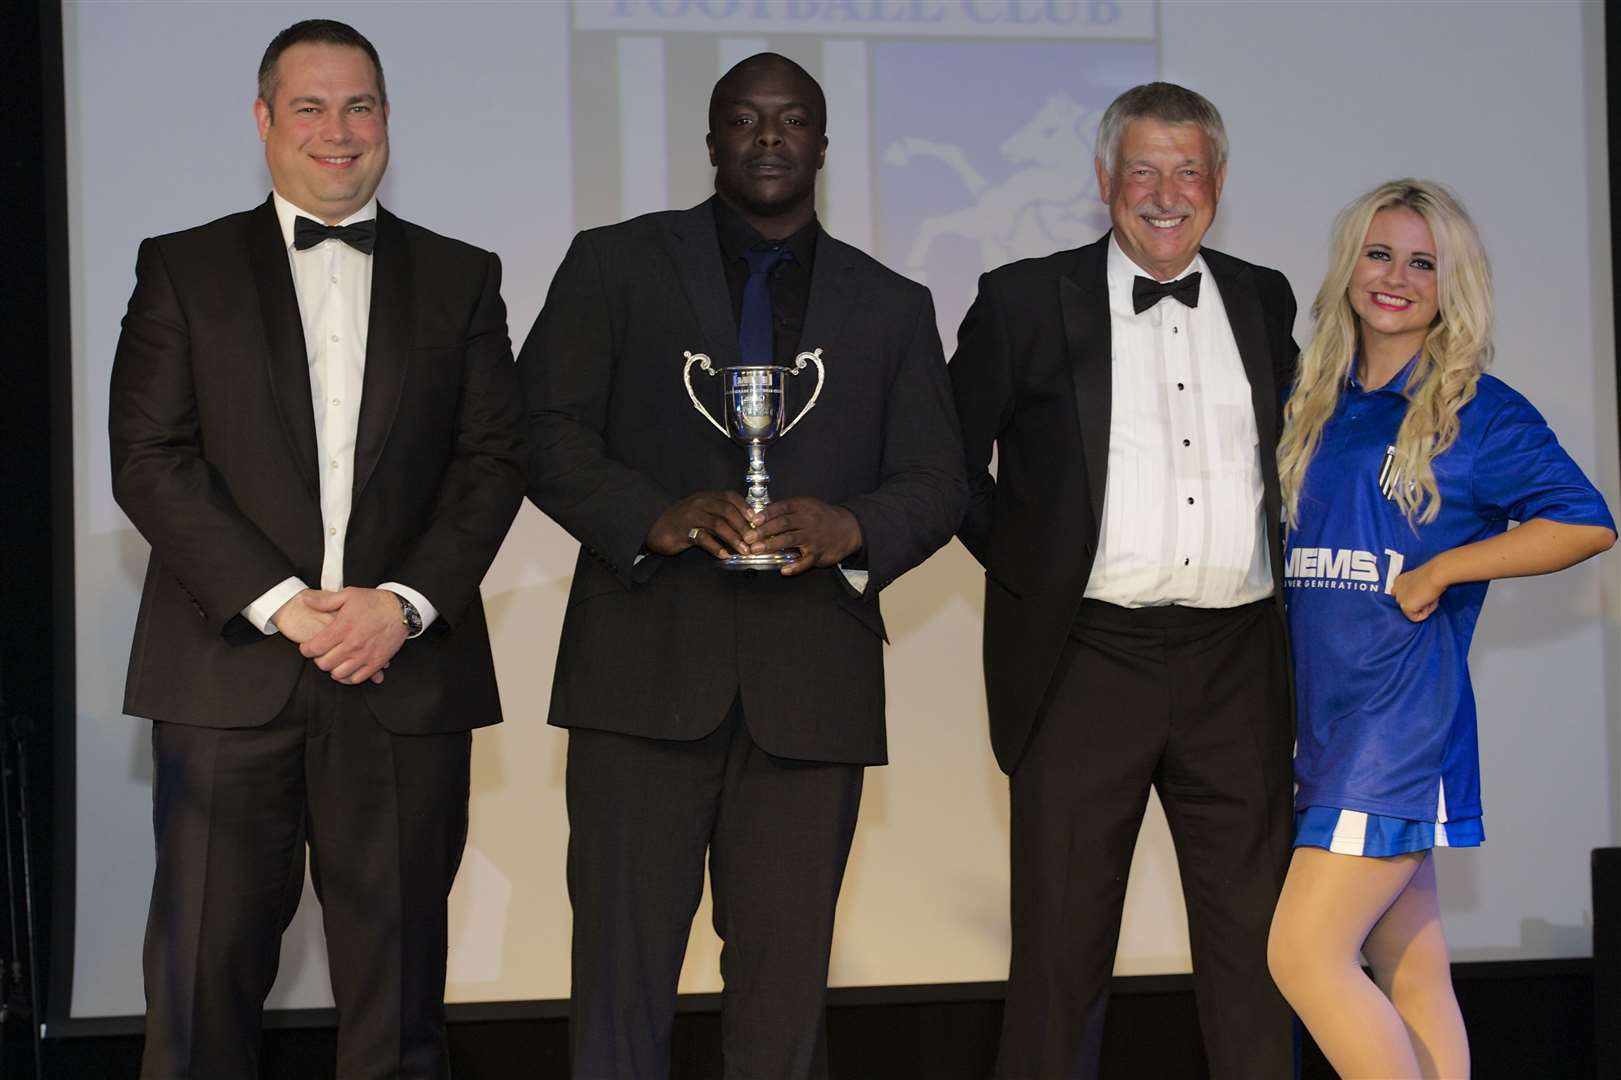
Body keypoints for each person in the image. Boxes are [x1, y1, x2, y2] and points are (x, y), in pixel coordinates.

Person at [518, 52, 965, 1080]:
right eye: (745, 120)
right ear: (713, 139)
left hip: (811, 691)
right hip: (640, 675)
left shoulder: (890, 304)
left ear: (821, 143)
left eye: (792, 119)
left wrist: (849, 526)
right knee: (619, 984)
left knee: (783, 990)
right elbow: (541, 431)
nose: (769, 137)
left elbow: (940, 479)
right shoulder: (613, 264)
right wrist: (651, 515)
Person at [108, 19, 525, 1078]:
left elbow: (491, 463)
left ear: (386, 121)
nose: (338, 132)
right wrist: (288, 602)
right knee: (201, 994)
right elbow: (149, 458)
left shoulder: (463, 278)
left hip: (405, 679)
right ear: (263, 120)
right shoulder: (183, 269)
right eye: (310, 106)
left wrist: (404, 603)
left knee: (399, 1007)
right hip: (225, 677)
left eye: (361, 106)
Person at [949, 82, 1300, 1077]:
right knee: (1059, 961)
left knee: (1257, 959)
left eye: (1186, 170)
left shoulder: (1261, 297)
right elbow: (940, 463)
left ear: (1218, 183)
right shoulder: (1024, 299)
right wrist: (1030, 571)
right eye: (1141, 169)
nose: (1163, 192)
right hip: (1085, 661)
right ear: (1104, 179)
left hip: (1238, 665)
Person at [1264, 179, 1614, 1078]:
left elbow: (1584, 520)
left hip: (1393, 735)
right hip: (1324, 728)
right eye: (1379, 254)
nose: (1395, 277)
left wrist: (1449, 566)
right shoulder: (1316, 400)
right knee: (1410, 971)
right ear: (1349, 266)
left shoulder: (1477, 409)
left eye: (1423, 262)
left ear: (1450, 283)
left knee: (1301, 958)